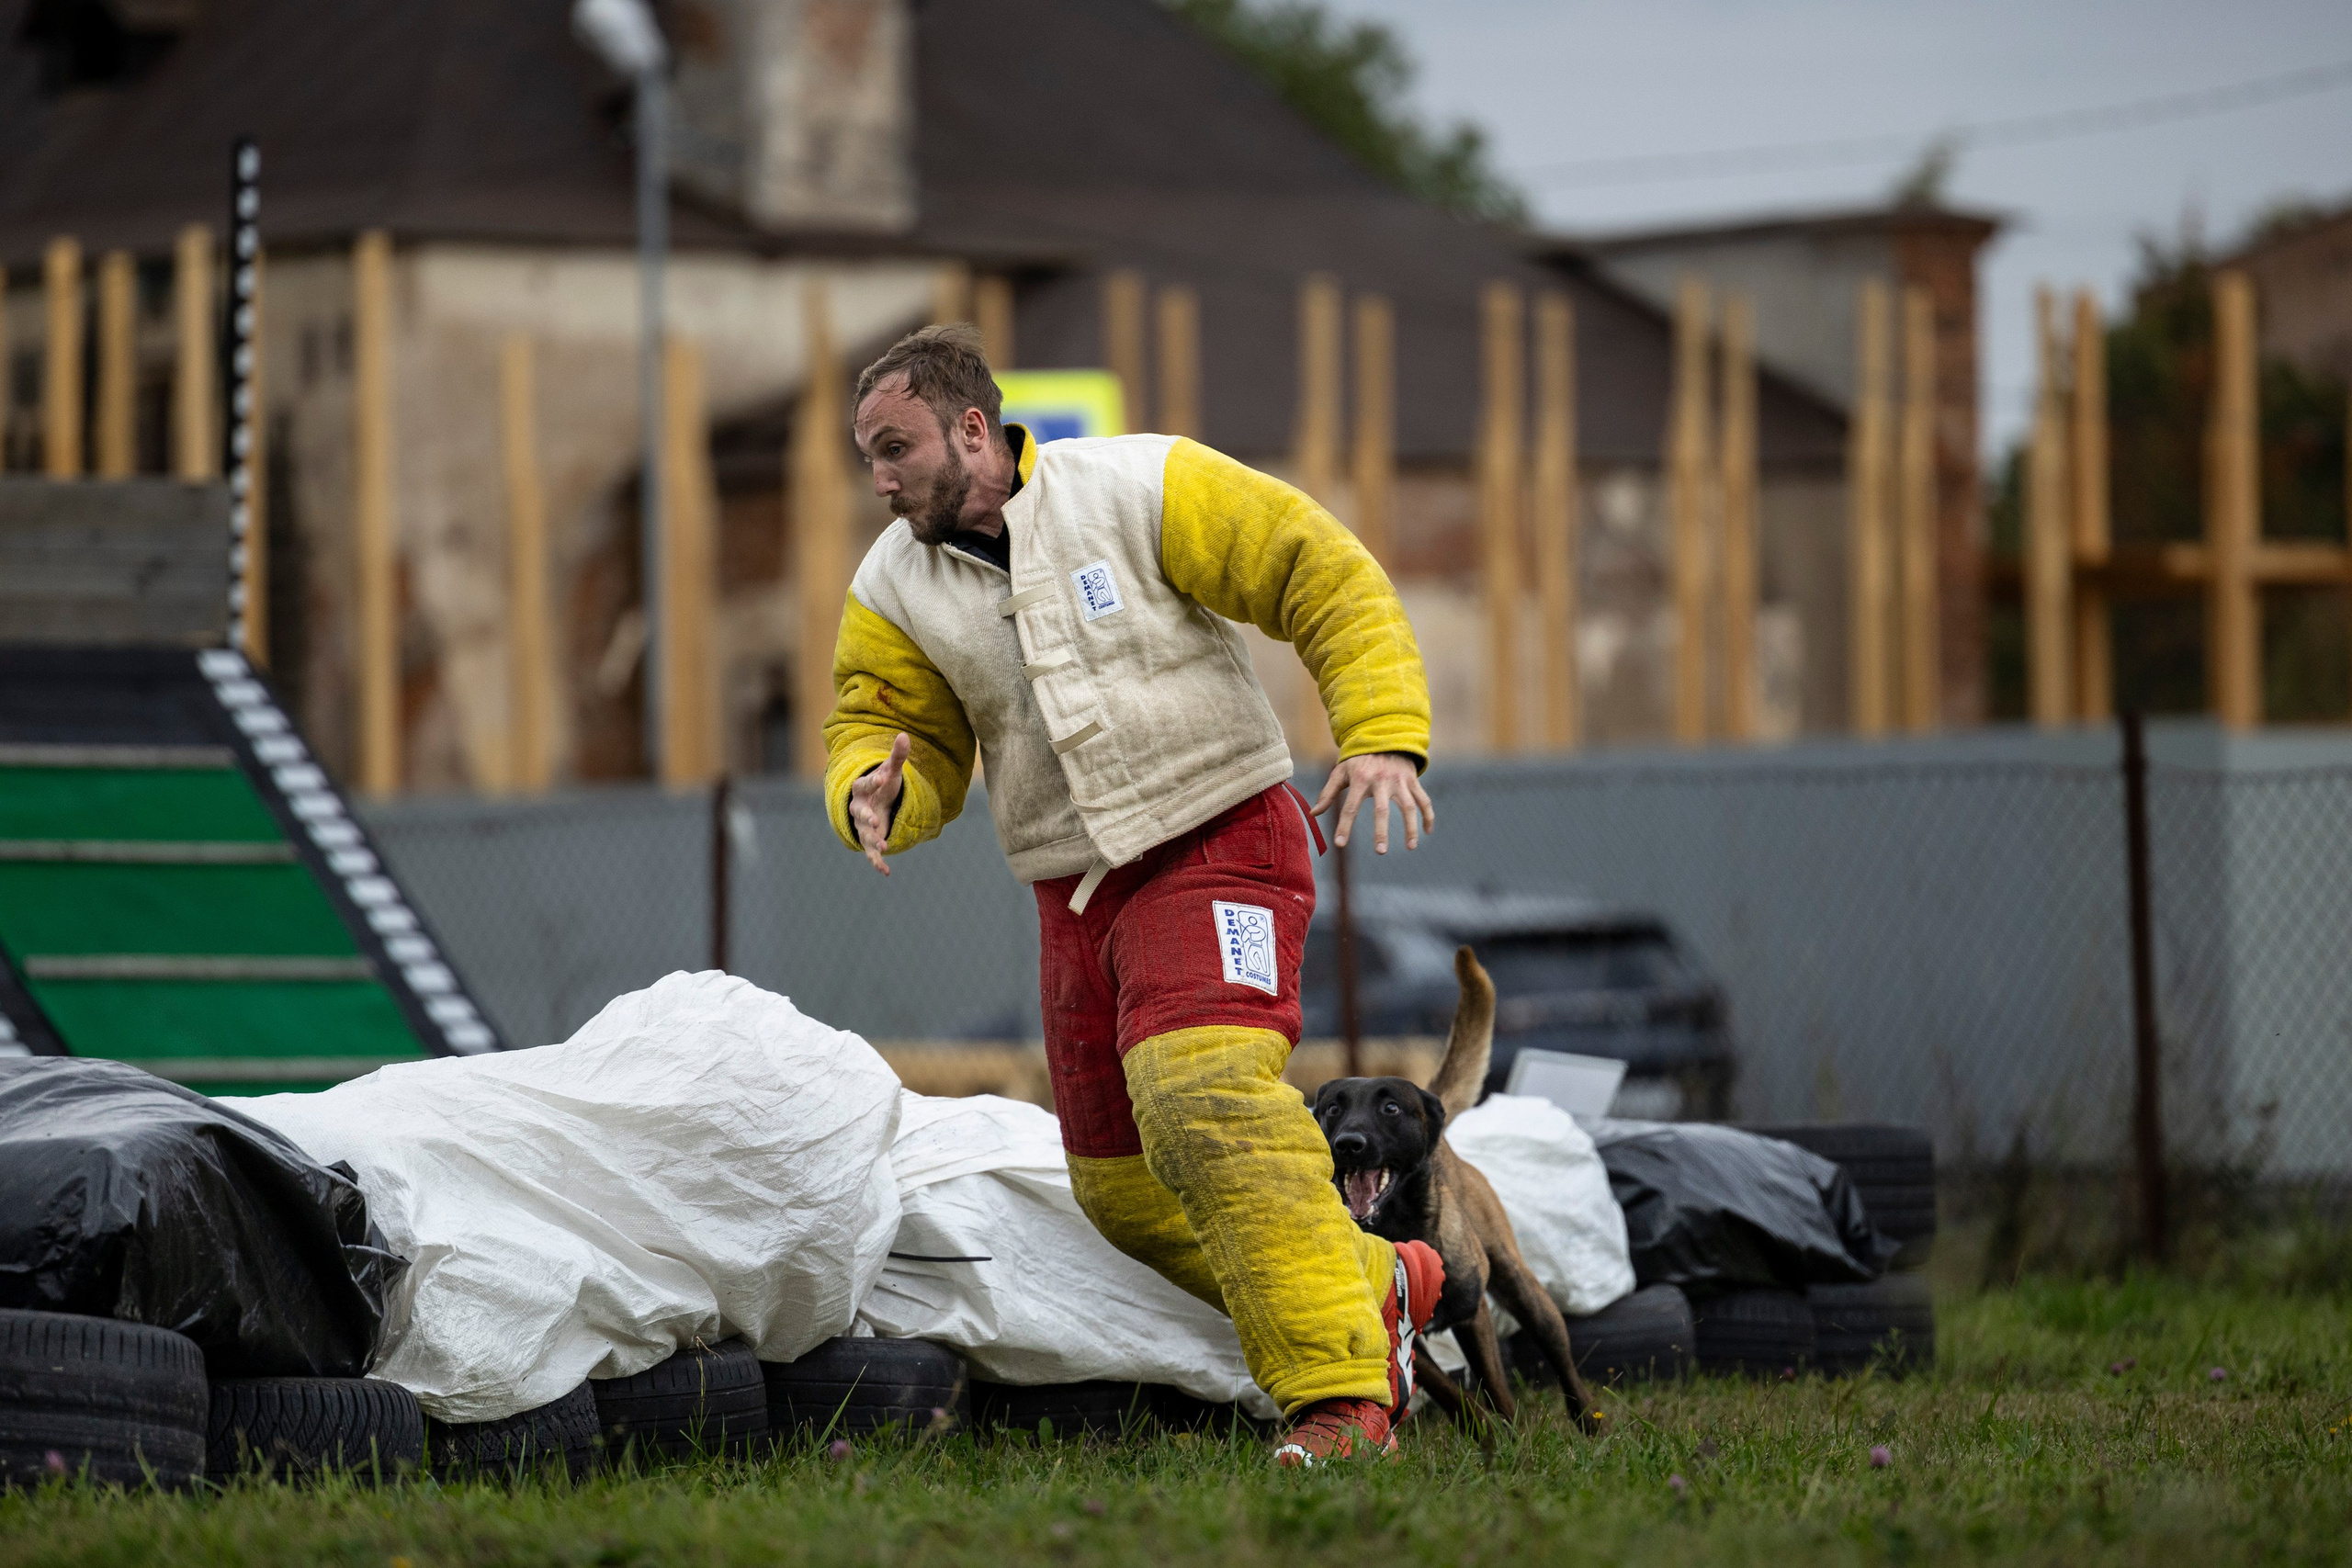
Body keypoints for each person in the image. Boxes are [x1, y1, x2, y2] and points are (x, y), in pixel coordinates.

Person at [824, 323, 1441, 1465]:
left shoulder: (1140, 484)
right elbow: (887, 723)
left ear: (973, 428)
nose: (880, 478)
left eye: (896, 446)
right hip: (1074, 895)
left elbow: (1318, 567)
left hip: (1220, 837)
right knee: (1122, 1191)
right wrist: (873, 790)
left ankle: (1347, 1404)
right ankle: (1382, 1280)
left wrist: (1383, 733)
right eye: (867, 455)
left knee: (1200, 1094)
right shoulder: (888, 586)